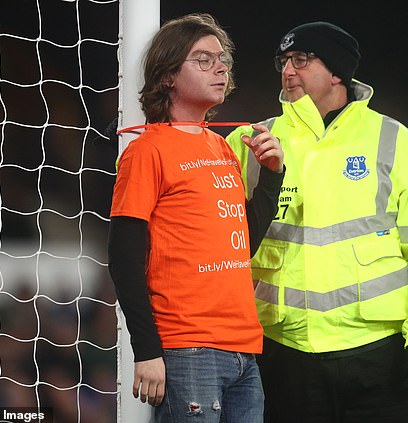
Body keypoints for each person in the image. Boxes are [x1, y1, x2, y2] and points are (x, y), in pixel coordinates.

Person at [226, 21, 408, 423]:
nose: (287, 70)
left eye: (301, 60)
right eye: (283, 61)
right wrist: (139, 143)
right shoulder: (253, 139)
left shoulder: (393, 140)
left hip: (379, 359)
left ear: (337, 72)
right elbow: (184, 180)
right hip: (283, 357)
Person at [107, 13, 284, 422]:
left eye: (222, 59)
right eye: (203, 59)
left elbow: (241, 243)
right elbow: (123, 259)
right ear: (168, 74)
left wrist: (272, 179)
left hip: (243, 346)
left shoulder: (222, 148)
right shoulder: (146, 152)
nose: (221, 67)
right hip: (187, 348)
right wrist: (148, 350)